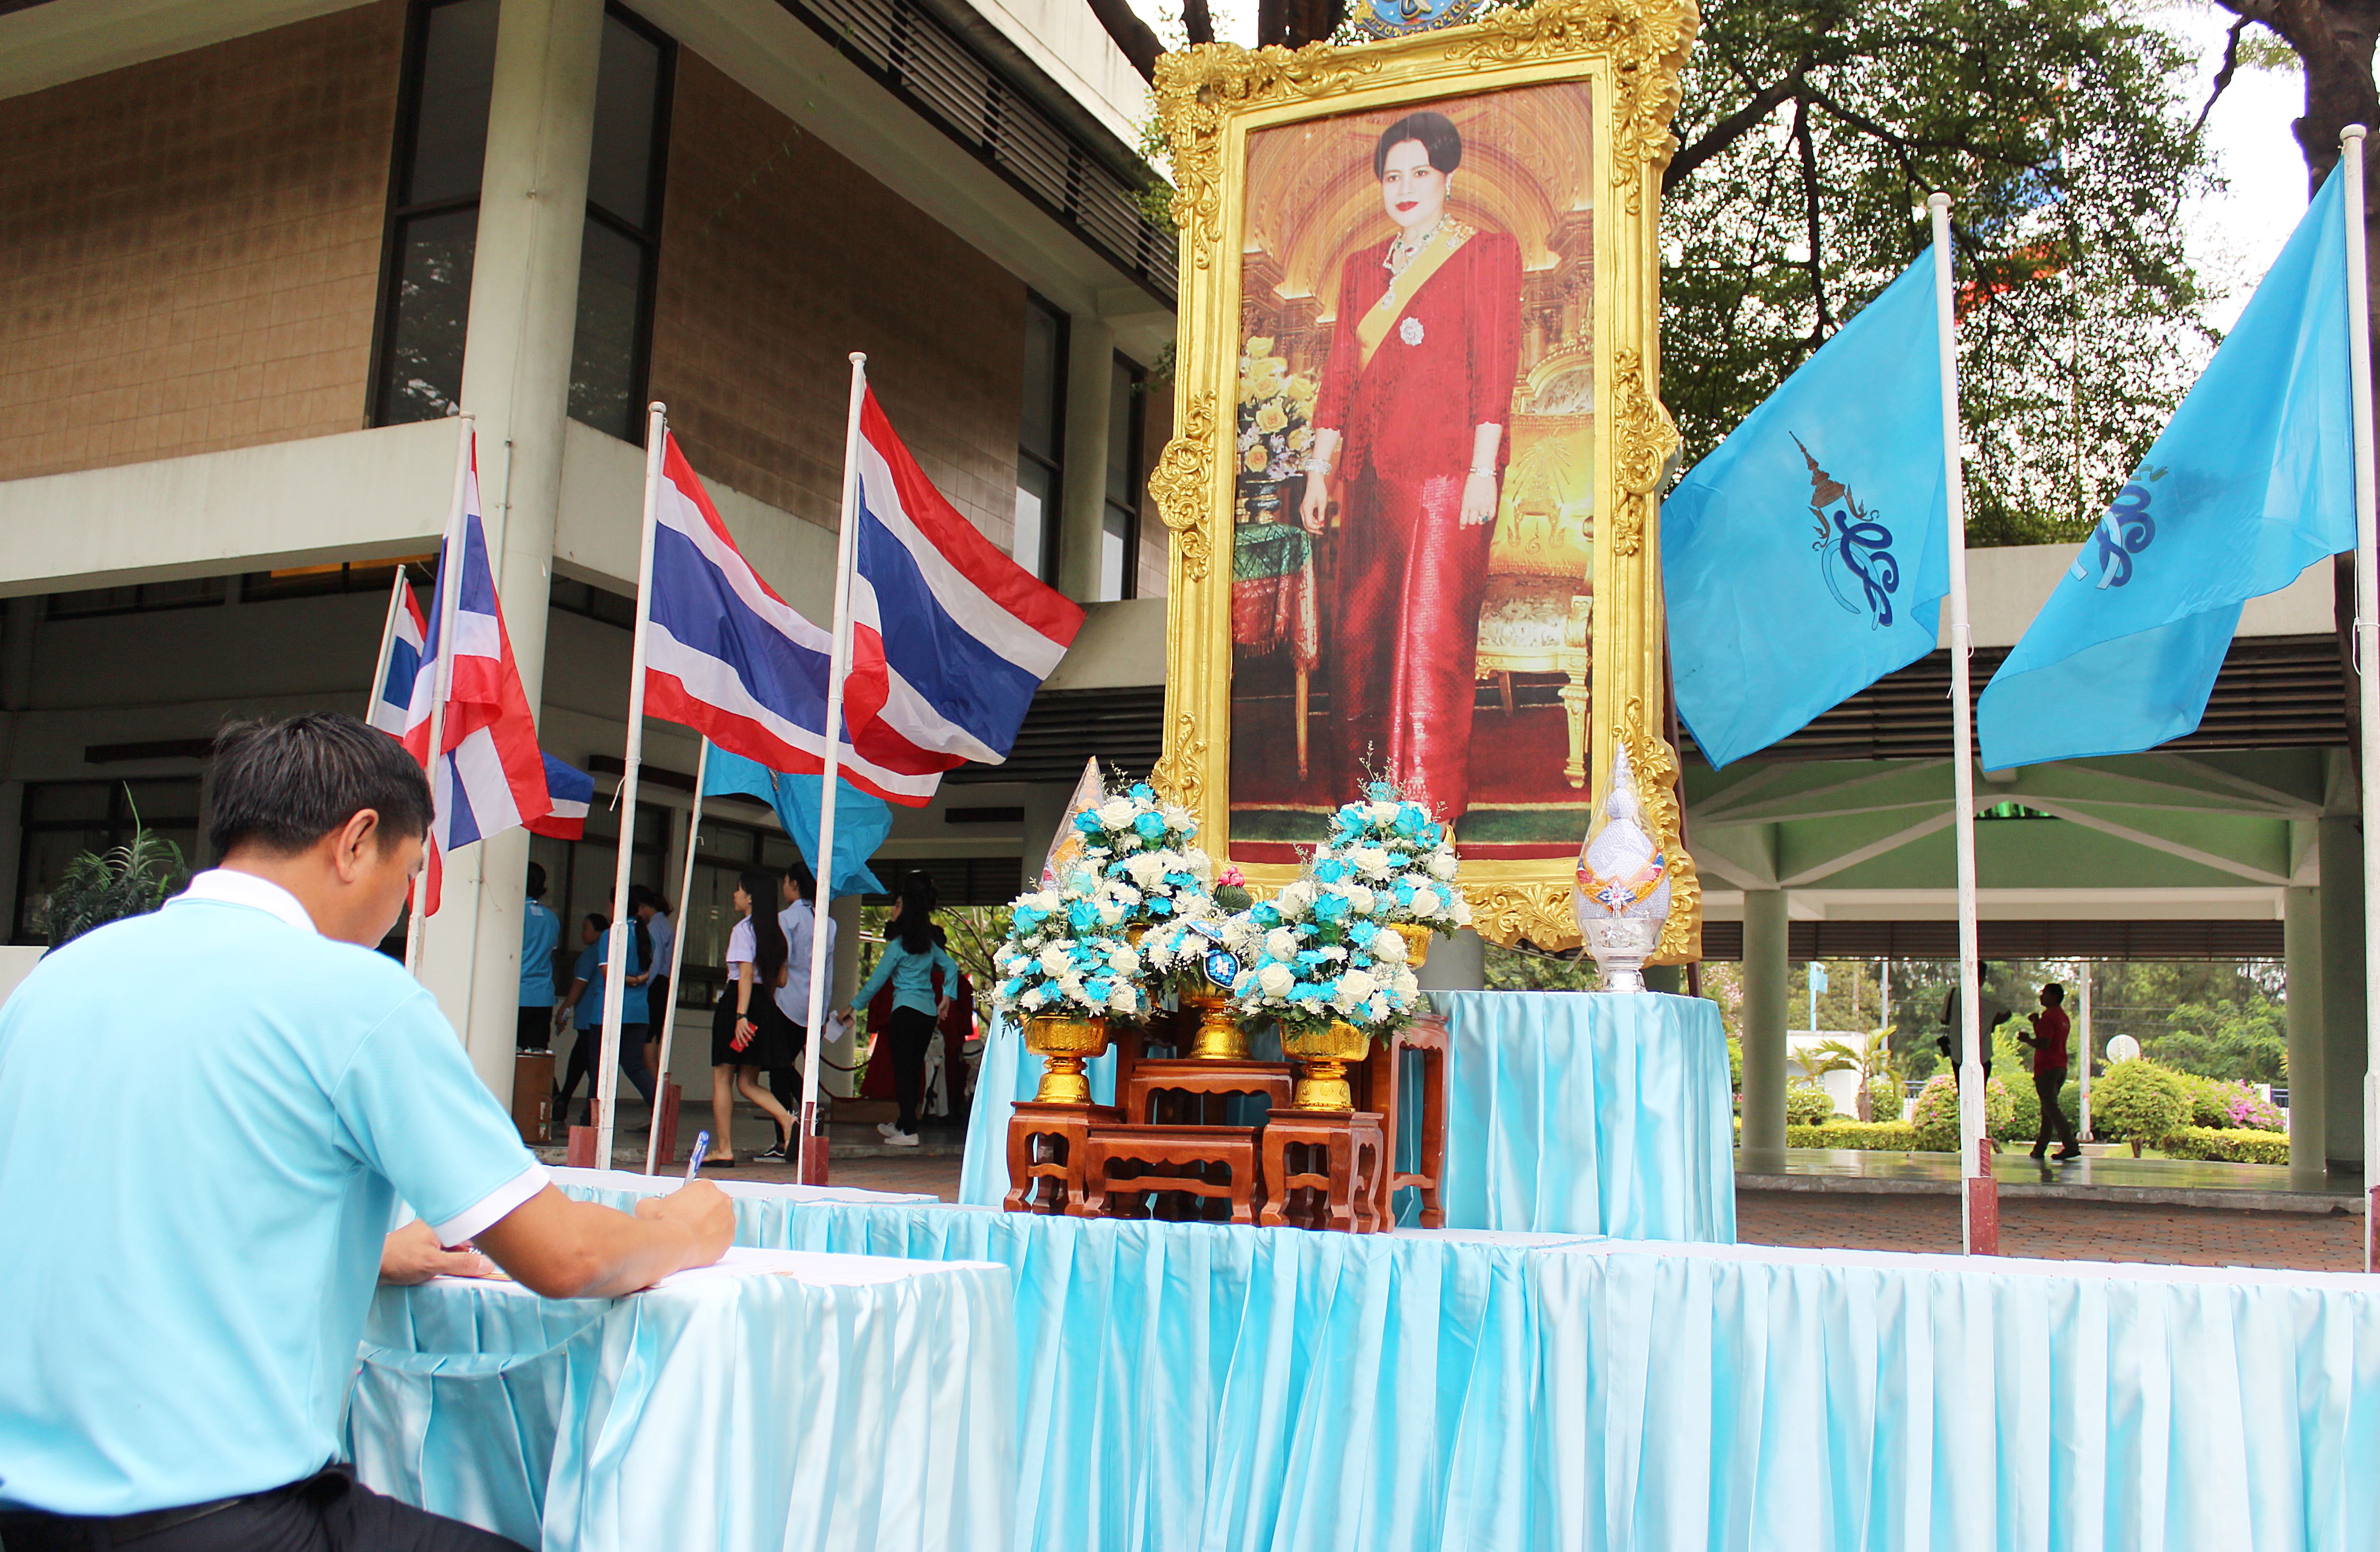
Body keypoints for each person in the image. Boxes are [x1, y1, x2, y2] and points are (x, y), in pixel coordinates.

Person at [0, 713, 731, 1551]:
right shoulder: (353, 995)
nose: (402, 907)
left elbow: (110, 1206)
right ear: (355, 842)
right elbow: (562, 1256)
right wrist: (682, 1230)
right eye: (410, 871)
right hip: (224, 1517)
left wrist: (370, 1252)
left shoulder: (57, 981)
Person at [1297, 109, 1522, 821]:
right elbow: (1339, 374)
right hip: (1368, 478)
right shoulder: (1361, 269)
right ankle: (1363, 804)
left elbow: (1495, 369)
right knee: (1360, 638)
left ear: (1447, 177)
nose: (1404, 188)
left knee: (1430, 640)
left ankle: (1426, 811)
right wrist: (1319, 470)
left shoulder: (1486, 254)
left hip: (1447, 476)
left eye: (1419, 173)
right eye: (1392, 176)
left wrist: (1483, 471)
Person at [842, 872, 957, 1148]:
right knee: (913, 1070)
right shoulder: (929, 946)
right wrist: (947, 997)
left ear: (906, 912)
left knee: (903, 1072)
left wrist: (853, 1007)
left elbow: (876, 982)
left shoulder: (897, 947)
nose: (892, 910)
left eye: (897, 906)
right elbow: (951, 967)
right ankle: (904, 1124)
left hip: (904, 1011)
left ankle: (910, 1131)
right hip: (927, 1014)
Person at [711, 869, 799, 1166]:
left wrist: (740, 1015)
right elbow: (782, 980)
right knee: (747, 1082)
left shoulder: (743, 930)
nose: (735, 895)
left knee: (723, 1077)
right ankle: (787, 1120)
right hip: (765, 1005)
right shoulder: (776, 934)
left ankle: (724, 1149)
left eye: (739, 890)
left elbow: (745, 974)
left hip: (740, 1004)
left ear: (750, 897)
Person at [553, 911, 658, 1128]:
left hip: (608, 1012)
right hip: (638, 1012)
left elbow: (607, 974)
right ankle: (661, 1110)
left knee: (599, 1069)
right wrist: (639, 980)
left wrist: (633, 980)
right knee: (635, 1067)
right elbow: (647, 973)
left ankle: (589, 1122)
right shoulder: (647, 936)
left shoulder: (611, 936)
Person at [771, 861, 838, 1117]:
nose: (784, 887)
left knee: (779, 1066)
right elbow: (828, 973)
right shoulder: (828, 924)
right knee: (785, 1063)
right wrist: (824, 1013)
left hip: (786, 1001)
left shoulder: (786, 919)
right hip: (813, 1005)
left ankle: (788, 1126)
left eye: (786, 881)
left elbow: (781, 962)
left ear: (795, 884)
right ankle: (809, 1109)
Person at [2019, 982, 2080, 1160]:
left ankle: (2070, 1144)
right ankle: (2040, 1148)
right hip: (2060, 1066)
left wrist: (2027, 1040)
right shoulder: (2063, 1017)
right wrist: (2036, 1023)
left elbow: (2044, 1043)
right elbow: (2049, 1037)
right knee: (2048, 1109)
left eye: (2045, 993)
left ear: (2053, 996)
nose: (2041, 996)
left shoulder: (2049, 1017)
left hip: (2047, 1068)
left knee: (2052, 1109)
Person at [1937, 962, 2012, 1086]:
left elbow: (1944, 1019)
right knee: (1980, 1091)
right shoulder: (1990, 998)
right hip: (1983, 1054)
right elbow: (2007, 1013)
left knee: (1963, 1090)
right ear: (1982, 977)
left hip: (1958, 1053)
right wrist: (1991, 1023)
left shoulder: (1954, 994)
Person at [629, 883, 674, 1081]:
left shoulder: (654, 927)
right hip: (663, 985)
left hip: (655, 985)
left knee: (648, 1045)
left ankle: (658, 1094)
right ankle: (660, 1092)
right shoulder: (666, 924)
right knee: (653, 1041)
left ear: (642, 907)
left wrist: (643, 984)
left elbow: (654, 962)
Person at [519, 862, 561, 1051]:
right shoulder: (552, 918)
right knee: (538, 1054)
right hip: (543, 996)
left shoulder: (516, 915)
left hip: (518, 994)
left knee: (511, 1053)